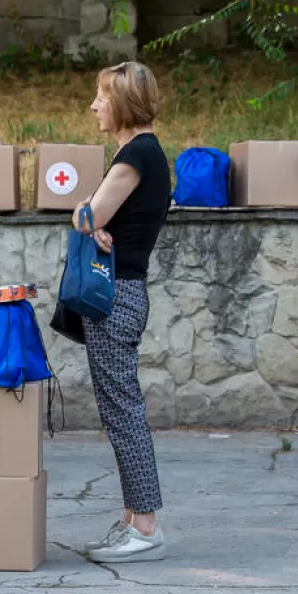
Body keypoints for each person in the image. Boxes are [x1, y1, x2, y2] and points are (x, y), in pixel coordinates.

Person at [73, 61, 171, 563]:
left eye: (101, 97)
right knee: (119, 408)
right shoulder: (142, 154)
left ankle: (146, 524)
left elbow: (88, 215)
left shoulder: (136, 155)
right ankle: (133, 518)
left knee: (123, 410)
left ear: (124, 103)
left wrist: (85, 216)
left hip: (117, 297)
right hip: (126, 293)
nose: (94, 105)